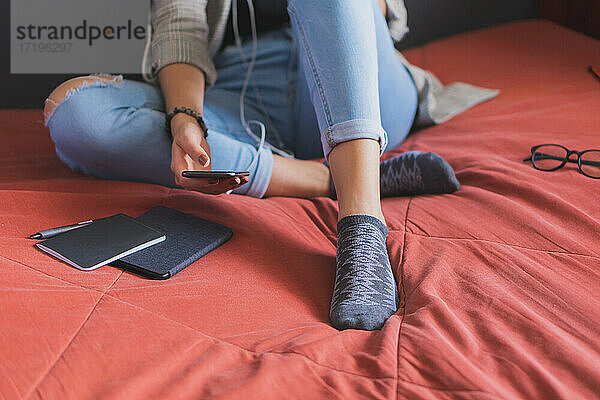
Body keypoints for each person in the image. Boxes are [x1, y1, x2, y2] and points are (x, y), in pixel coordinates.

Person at [43, 0, 461, 331]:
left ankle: (362, 225)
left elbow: (386, 13)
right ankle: (327, 178)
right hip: (245, 92)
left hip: (359, 80)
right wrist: (186, 118)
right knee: (76, 114)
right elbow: (180, 26)